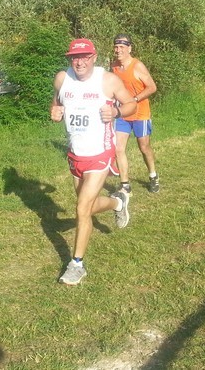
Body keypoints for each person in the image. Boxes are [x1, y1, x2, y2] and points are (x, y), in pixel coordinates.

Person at [51, 38, 137, 285]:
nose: (79, 62)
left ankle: (77, 264)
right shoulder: (61, 78)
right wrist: (55, 111)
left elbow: (131, 103)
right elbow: (57, 101)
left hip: (100, 153)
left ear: (93, 57)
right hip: (75, 154)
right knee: (85, 206)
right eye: (74, 58)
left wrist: (117, 112)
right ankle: (117, 203)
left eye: (84, 57)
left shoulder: (107, 80)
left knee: (81, 209)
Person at [111, 34, 159, 194]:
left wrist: (135, 99)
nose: (118, 50)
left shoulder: (137, 66)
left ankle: (153, 176)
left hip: (140, 113)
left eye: (122, 47)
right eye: (116, 47)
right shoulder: (114, 67)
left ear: (129, 48)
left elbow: (152, 87)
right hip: (123, 114)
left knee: (144, 147)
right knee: (118, 148)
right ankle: (125, 184)